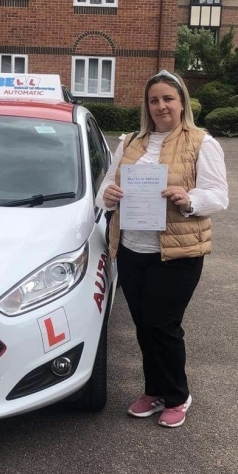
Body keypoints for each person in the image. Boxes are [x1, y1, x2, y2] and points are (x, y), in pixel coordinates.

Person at [95, 69, 229, 428]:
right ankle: (154, 390)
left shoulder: (202, 142)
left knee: (162, 325)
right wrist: (107, 196)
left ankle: (178, 395)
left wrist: (189, 199)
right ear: (147, 105)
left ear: (182, 101)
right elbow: (105, 187)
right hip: (132, 249)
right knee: (143, 325)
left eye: (168, 98)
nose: (160, 105)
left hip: (178, 252)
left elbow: (219, 196)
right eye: (154, 99)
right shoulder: (131, 142)